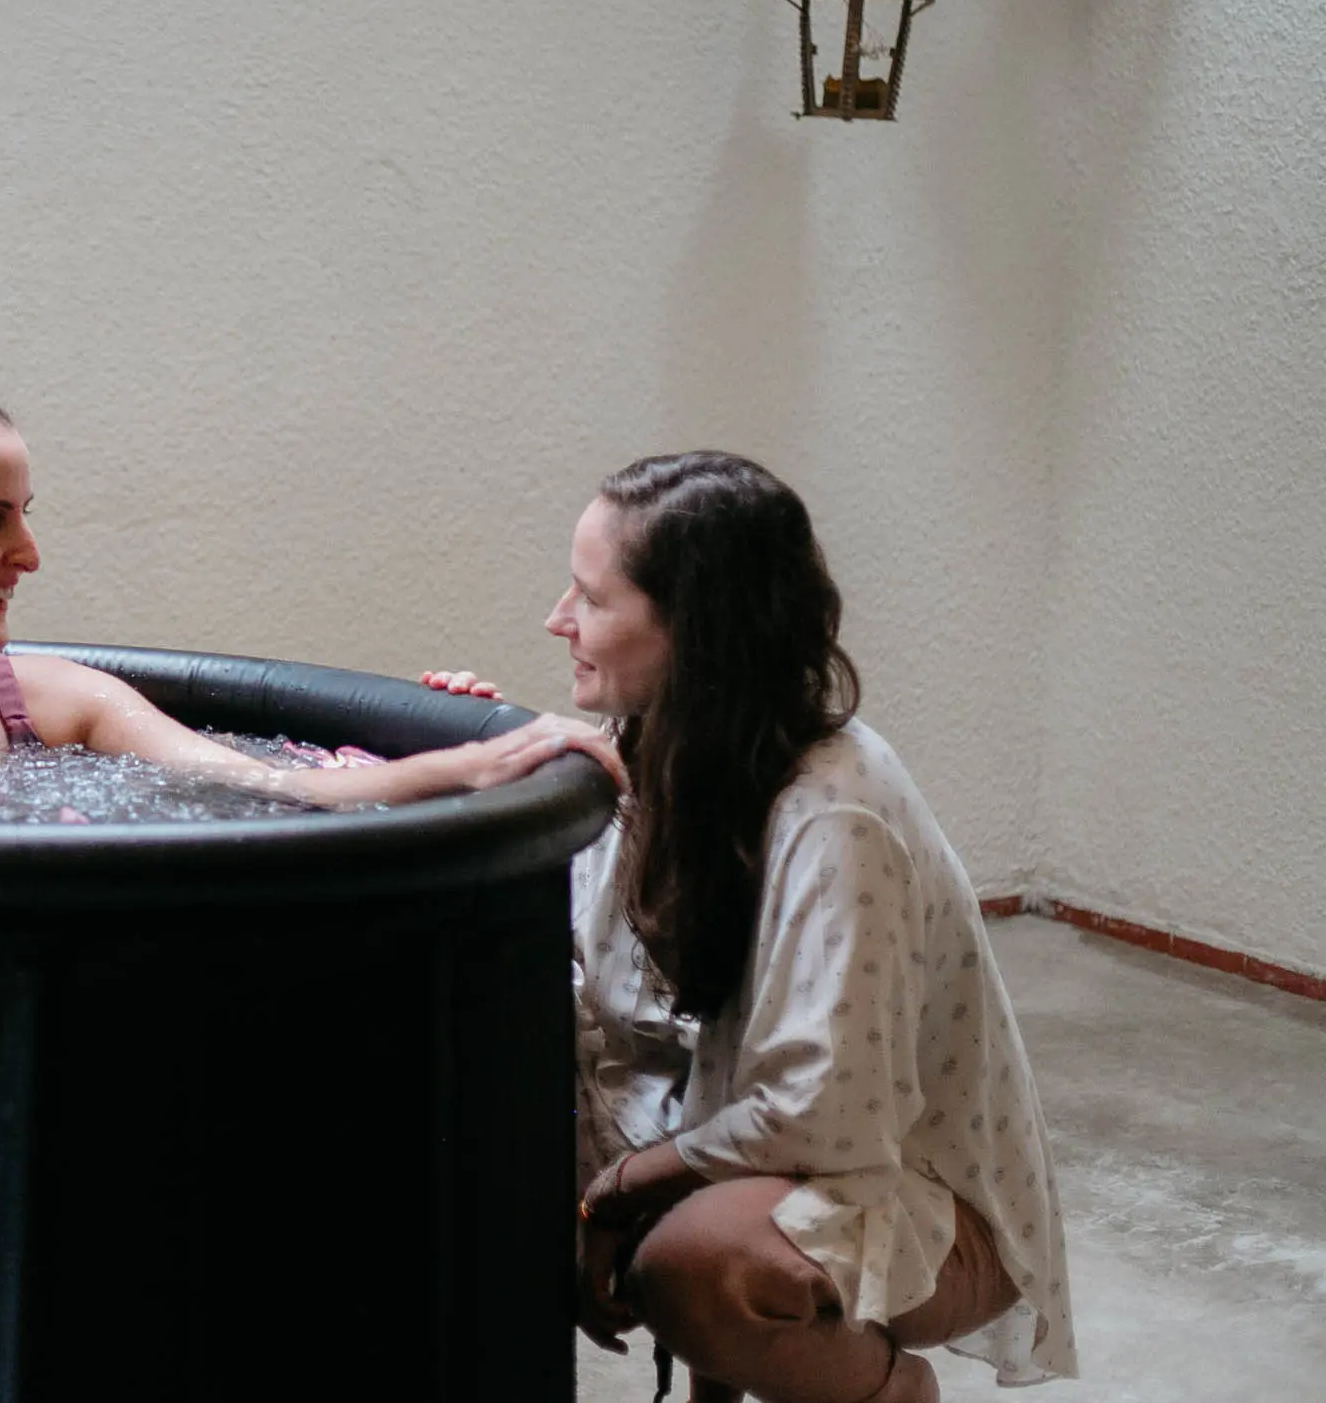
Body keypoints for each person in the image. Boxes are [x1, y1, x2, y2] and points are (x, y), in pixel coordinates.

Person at [425, 451, 1075, 1403]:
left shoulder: (834, 811)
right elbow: (557, 984)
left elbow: (822, 1120)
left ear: (695, 631)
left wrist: (615, 1191)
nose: (557, 619)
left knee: (703, 1265)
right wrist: (462, 760)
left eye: (592, 598)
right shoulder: (660, 753)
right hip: (786, 1162)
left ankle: (893, 1393)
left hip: (914, 1203)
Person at [0, 361, 589, 906]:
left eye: (25, 515)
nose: (28, 553)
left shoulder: (53, 701)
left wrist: (471, 765)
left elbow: (273, 787)